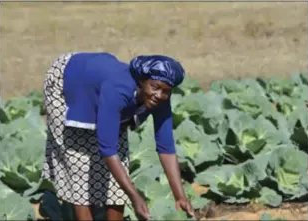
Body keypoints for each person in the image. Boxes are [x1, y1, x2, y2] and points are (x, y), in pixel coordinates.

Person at [41, 52, 195, 221]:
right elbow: (107, 149)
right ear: (142, 82)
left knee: (120, 159)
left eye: (166, 91)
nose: (159, 95)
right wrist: (135, 197)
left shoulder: (160, 98)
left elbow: (166, 147)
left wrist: (180, 196)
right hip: (67, 80)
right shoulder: (118, 90)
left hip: (99, 83)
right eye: (155, 87)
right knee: (80, 160)